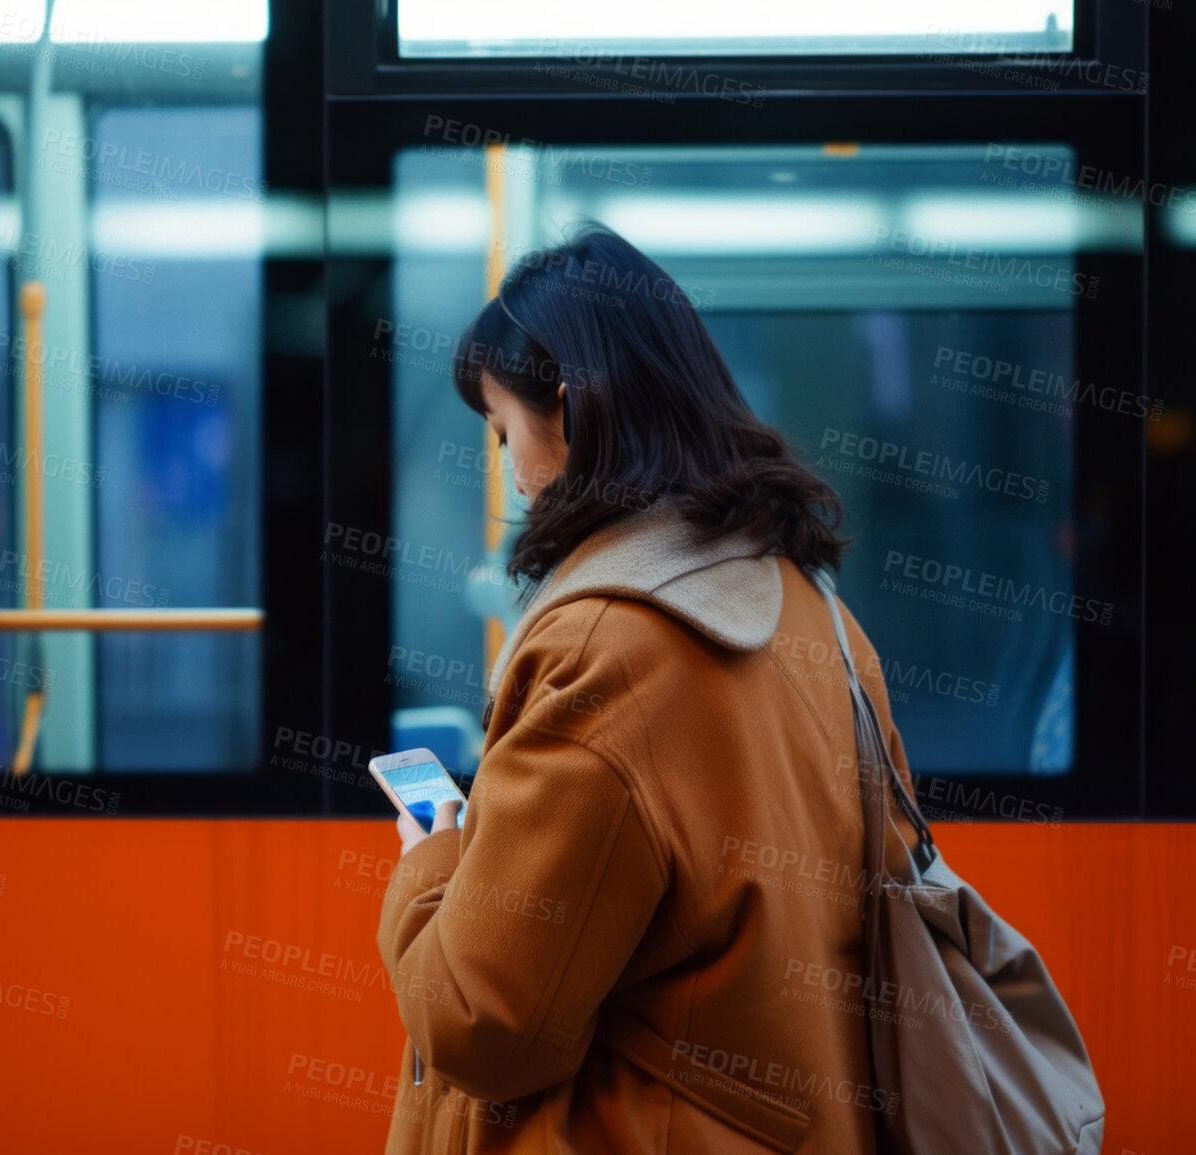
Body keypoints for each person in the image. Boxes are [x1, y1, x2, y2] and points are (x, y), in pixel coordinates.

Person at [378, 224, 914, 1154]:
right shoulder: (813, 607)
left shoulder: (605, 650)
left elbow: (483, 1022)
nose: (510, 470)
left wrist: (435, 859)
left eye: (507, 430)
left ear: (576, 411)